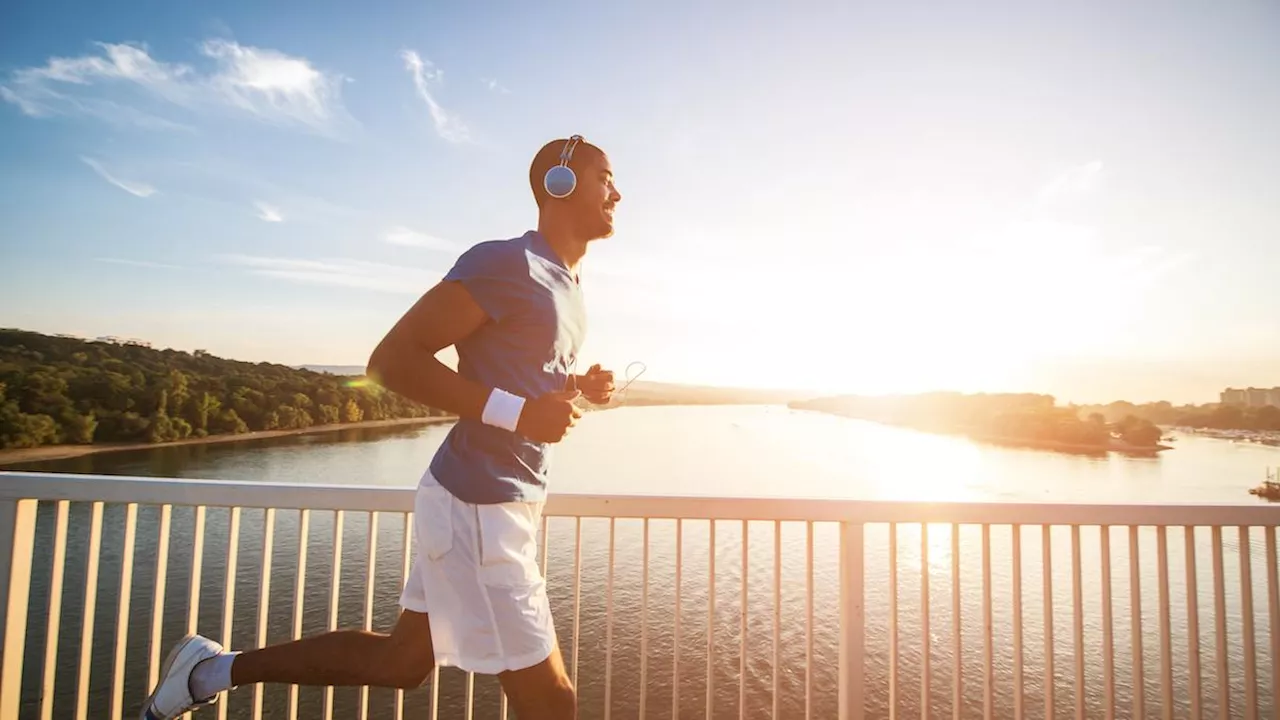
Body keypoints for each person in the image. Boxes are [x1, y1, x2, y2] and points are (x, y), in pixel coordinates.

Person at [138, 135, 622, 720]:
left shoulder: (568, 288)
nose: (616, 193)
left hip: (500, 501)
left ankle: (209, 670)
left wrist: (574, 390)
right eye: (605, 177)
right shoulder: (504, 262)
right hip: (478, 503)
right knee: (552, 703)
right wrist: (521, 414)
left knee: (401, 663)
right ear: (561, 184)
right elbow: (393, 361)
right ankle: (206, 670)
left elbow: (521, 386)